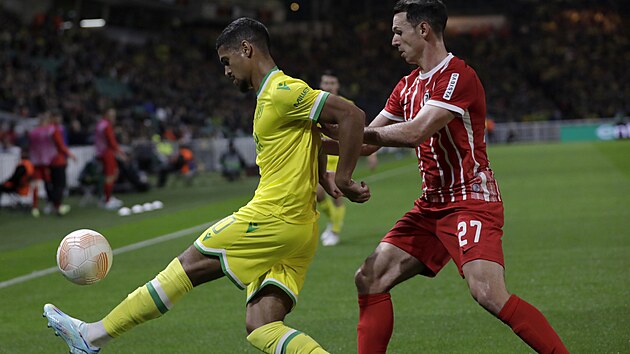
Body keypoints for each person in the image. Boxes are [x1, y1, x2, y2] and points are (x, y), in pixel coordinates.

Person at [43, 17, 370, 354]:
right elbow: (312, 134)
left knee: (184, 269)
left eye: (227, 62)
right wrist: (321, 176)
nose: (226, 72)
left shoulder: (282, 91)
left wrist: (342, 177)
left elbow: (352, 116)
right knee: (262, 326)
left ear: (247, 49)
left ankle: (92, 336)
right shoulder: (273, 98)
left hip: (273, 216)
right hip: (301, 229)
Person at [325, 1, 568, 353]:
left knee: (487, 292)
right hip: (431, 206)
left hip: (470, 200)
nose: (393, 41)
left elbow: (414, 133)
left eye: (398, 32)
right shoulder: (406, 86)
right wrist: (316, 140)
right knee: (370, 278)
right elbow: (363, 146)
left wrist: (355, 131)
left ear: (423, 30)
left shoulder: (458, 76)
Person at [316, 71, 350, 246]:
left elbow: (361, 131)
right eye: (325, 82)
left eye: (332, 83)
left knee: (337, 194)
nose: (328, 86)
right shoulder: (316, 105)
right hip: (320, 156)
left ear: (337, 86)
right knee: (318, 194)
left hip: (339, 157)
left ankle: (335, 231)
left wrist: (372, 154)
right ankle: (333, 221)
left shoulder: (347, 105)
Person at [94, 108, 126, 210]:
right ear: (106, 114)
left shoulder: (100, 124)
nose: (114, 117)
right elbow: (111, 141)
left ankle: (106, 197)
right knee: (110, 175)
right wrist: (120, 152)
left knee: (111, 174)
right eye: (112, 115)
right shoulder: (106, 125)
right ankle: (107, 200)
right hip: (107, 152)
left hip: (100, 152)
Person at [48, 110, 76, 216]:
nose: (59, 120)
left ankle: (53, 205)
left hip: (49, 160)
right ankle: (58, 206)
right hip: (58, 160)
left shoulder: (47, 130)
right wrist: (70, 155)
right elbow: (60, 145)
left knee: (54, 184)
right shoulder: (55, 130)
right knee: (60, 184)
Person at [28, 112, 55, 217]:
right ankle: (49, 204)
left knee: (36, 184)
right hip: (46, 162)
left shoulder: (33, 132)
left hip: (36, 161)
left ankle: (35, 207)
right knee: (48, 183)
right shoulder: (48, 131)